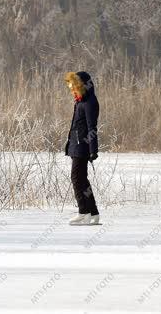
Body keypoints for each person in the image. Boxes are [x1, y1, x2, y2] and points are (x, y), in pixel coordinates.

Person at [64, 71, 100, 225]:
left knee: (76, 178)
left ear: (83, 85)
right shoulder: (80, 101)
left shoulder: (90, 102)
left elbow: (92, 127)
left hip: (83, 146)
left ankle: (83, 211)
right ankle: (93, 212)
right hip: (76, 145)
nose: (72, 89)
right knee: (82, 180)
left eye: (75, 86)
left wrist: (93, 150)